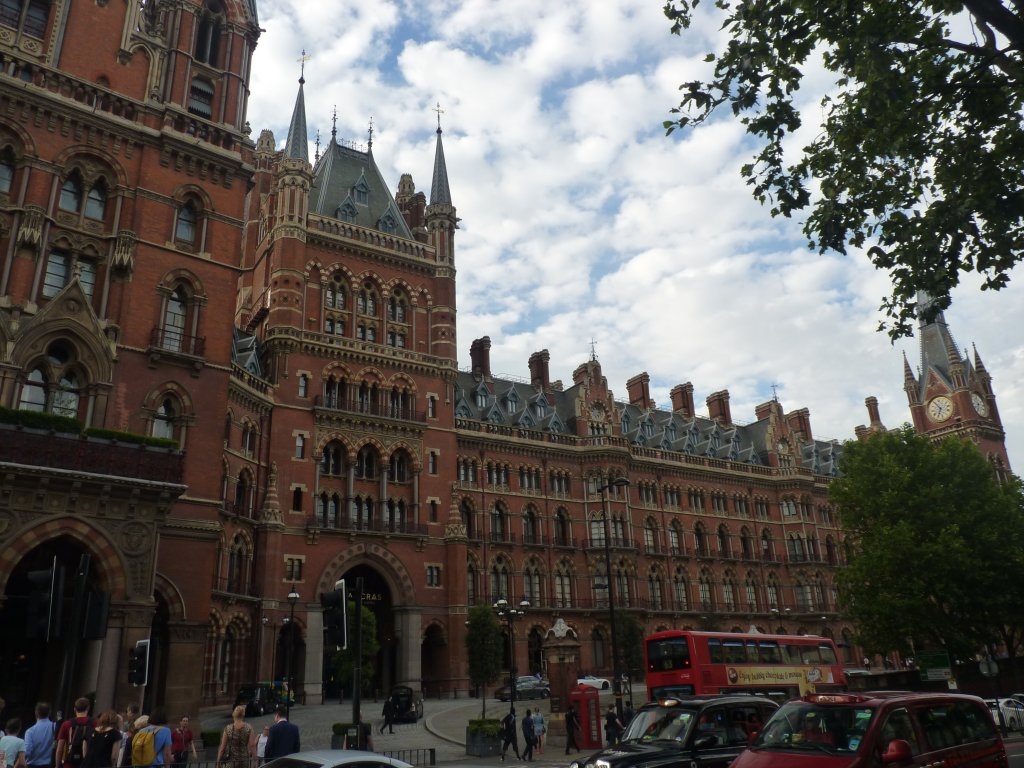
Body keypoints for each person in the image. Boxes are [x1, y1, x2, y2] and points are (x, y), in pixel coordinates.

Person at [56, 698, 94, 768]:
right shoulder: (95, 723)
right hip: (88, 764)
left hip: (69, 764)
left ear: (74, 709)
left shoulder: (66, 724)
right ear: (88, 708)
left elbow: (59, 749)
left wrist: (57, 765)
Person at [22, 703, 55, 768]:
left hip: (32, 765)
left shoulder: (30, 731)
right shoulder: (55, 727)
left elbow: (28, 750)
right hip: (49, 764)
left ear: (36, 713)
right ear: (49, 713)